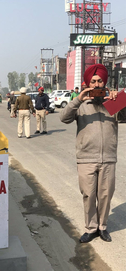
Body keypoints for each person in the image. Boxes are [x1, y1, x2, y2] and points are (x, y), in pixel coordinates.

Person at [60, 64, 126, 243]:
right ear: (87, 83)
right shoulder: (81, 104)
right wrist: (78, 100)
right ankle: (91, 228)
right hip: (86, 158)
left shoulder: (112, 102)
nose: (97, 85)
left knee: (105, 195)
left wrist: (120, 99)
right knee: (88, 195)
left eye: (100, 81)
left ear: (105, 82)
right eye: (93, 81)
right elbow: (64, 118)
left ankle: (102, 227)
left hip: (108, 158)